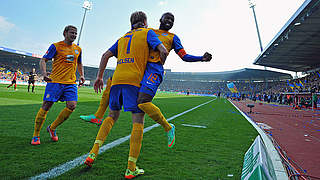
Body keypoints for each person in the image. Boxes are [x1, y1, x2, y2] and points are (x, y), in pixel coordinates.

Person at [80, 12, 212, 149]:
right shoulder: (148, 31)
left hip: (154, 69)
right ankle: (98, 115)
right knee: (114, 81)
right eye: (167, 18)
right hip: (139, 66)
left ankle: (168, 127)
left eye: (172, 20)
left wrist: (200, 58)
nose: (170, 21)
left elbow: (184, 56)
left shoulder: (173, 37)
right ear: (160, 19)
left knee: (142, 101)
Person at [84, 11, 168, 179]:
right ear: (145, 21)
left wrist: (99, 77)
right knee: (138, 122)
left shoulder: (122, 38)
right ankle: (131, 168)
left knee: (111, 116)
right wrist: (158, 67)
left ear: (131, 22)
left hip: (116, 81)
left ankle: (93, 152)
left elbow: (105, 55)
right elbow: (163, 51)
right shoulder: (148, 32)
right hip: (134, 81)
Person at [30, 25, 85, 145]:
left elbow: (79, 63)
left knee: (72, 106)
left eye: (76, 33)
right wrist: (44, 73)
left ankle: (52, 128)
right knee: (46, 106)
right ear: (65, 33)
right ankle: (36, 134)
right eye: (72, 33)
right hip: (55, 81)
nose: (74, 35)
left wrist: (81, 75)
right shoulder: (56, 46)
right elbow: (43, 60)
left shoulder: (78, 49)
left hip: (70, 82)